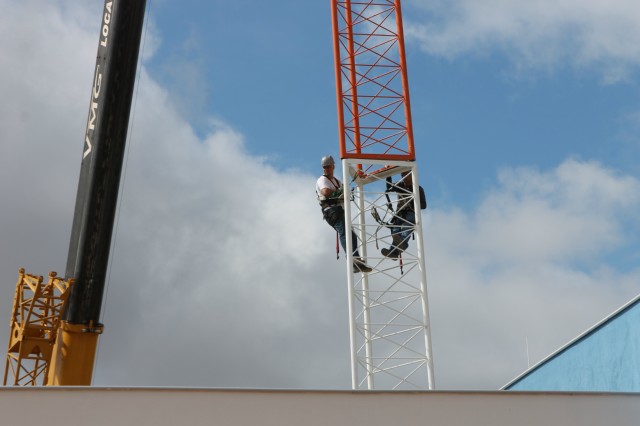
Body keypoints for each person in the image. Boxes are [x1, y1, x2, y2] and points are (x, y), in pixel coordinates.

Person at [316, 155, 372, 273]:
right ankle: (352, 260)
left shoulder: (337, 181)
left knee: (351, 235)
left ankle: (356, 260)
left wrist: (344, 190)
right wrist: (339, 191)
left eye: (328, 166)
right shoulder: (322, 180)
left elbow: (343, 192)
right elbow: (325, 192)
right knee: (344, 233)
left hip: (338, 210)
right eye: (324, 167)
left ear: (332, 166)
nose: (326, 169)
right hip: (331, 211)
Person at [381, 171, 427, 258]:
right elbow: (390, 187)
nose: (404, 177)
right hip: (399, 212)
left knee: (407, 227)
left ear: (411, 176)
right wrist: (388, 175)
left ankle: (402, 243)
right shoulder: (400, 185)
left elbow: (424, 205)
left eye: (406, 175)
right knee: (395, 232)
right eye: (402, 175)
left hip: (410, 212)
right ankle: (394, 251)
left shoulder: (418, 188)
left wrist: (413, 202)